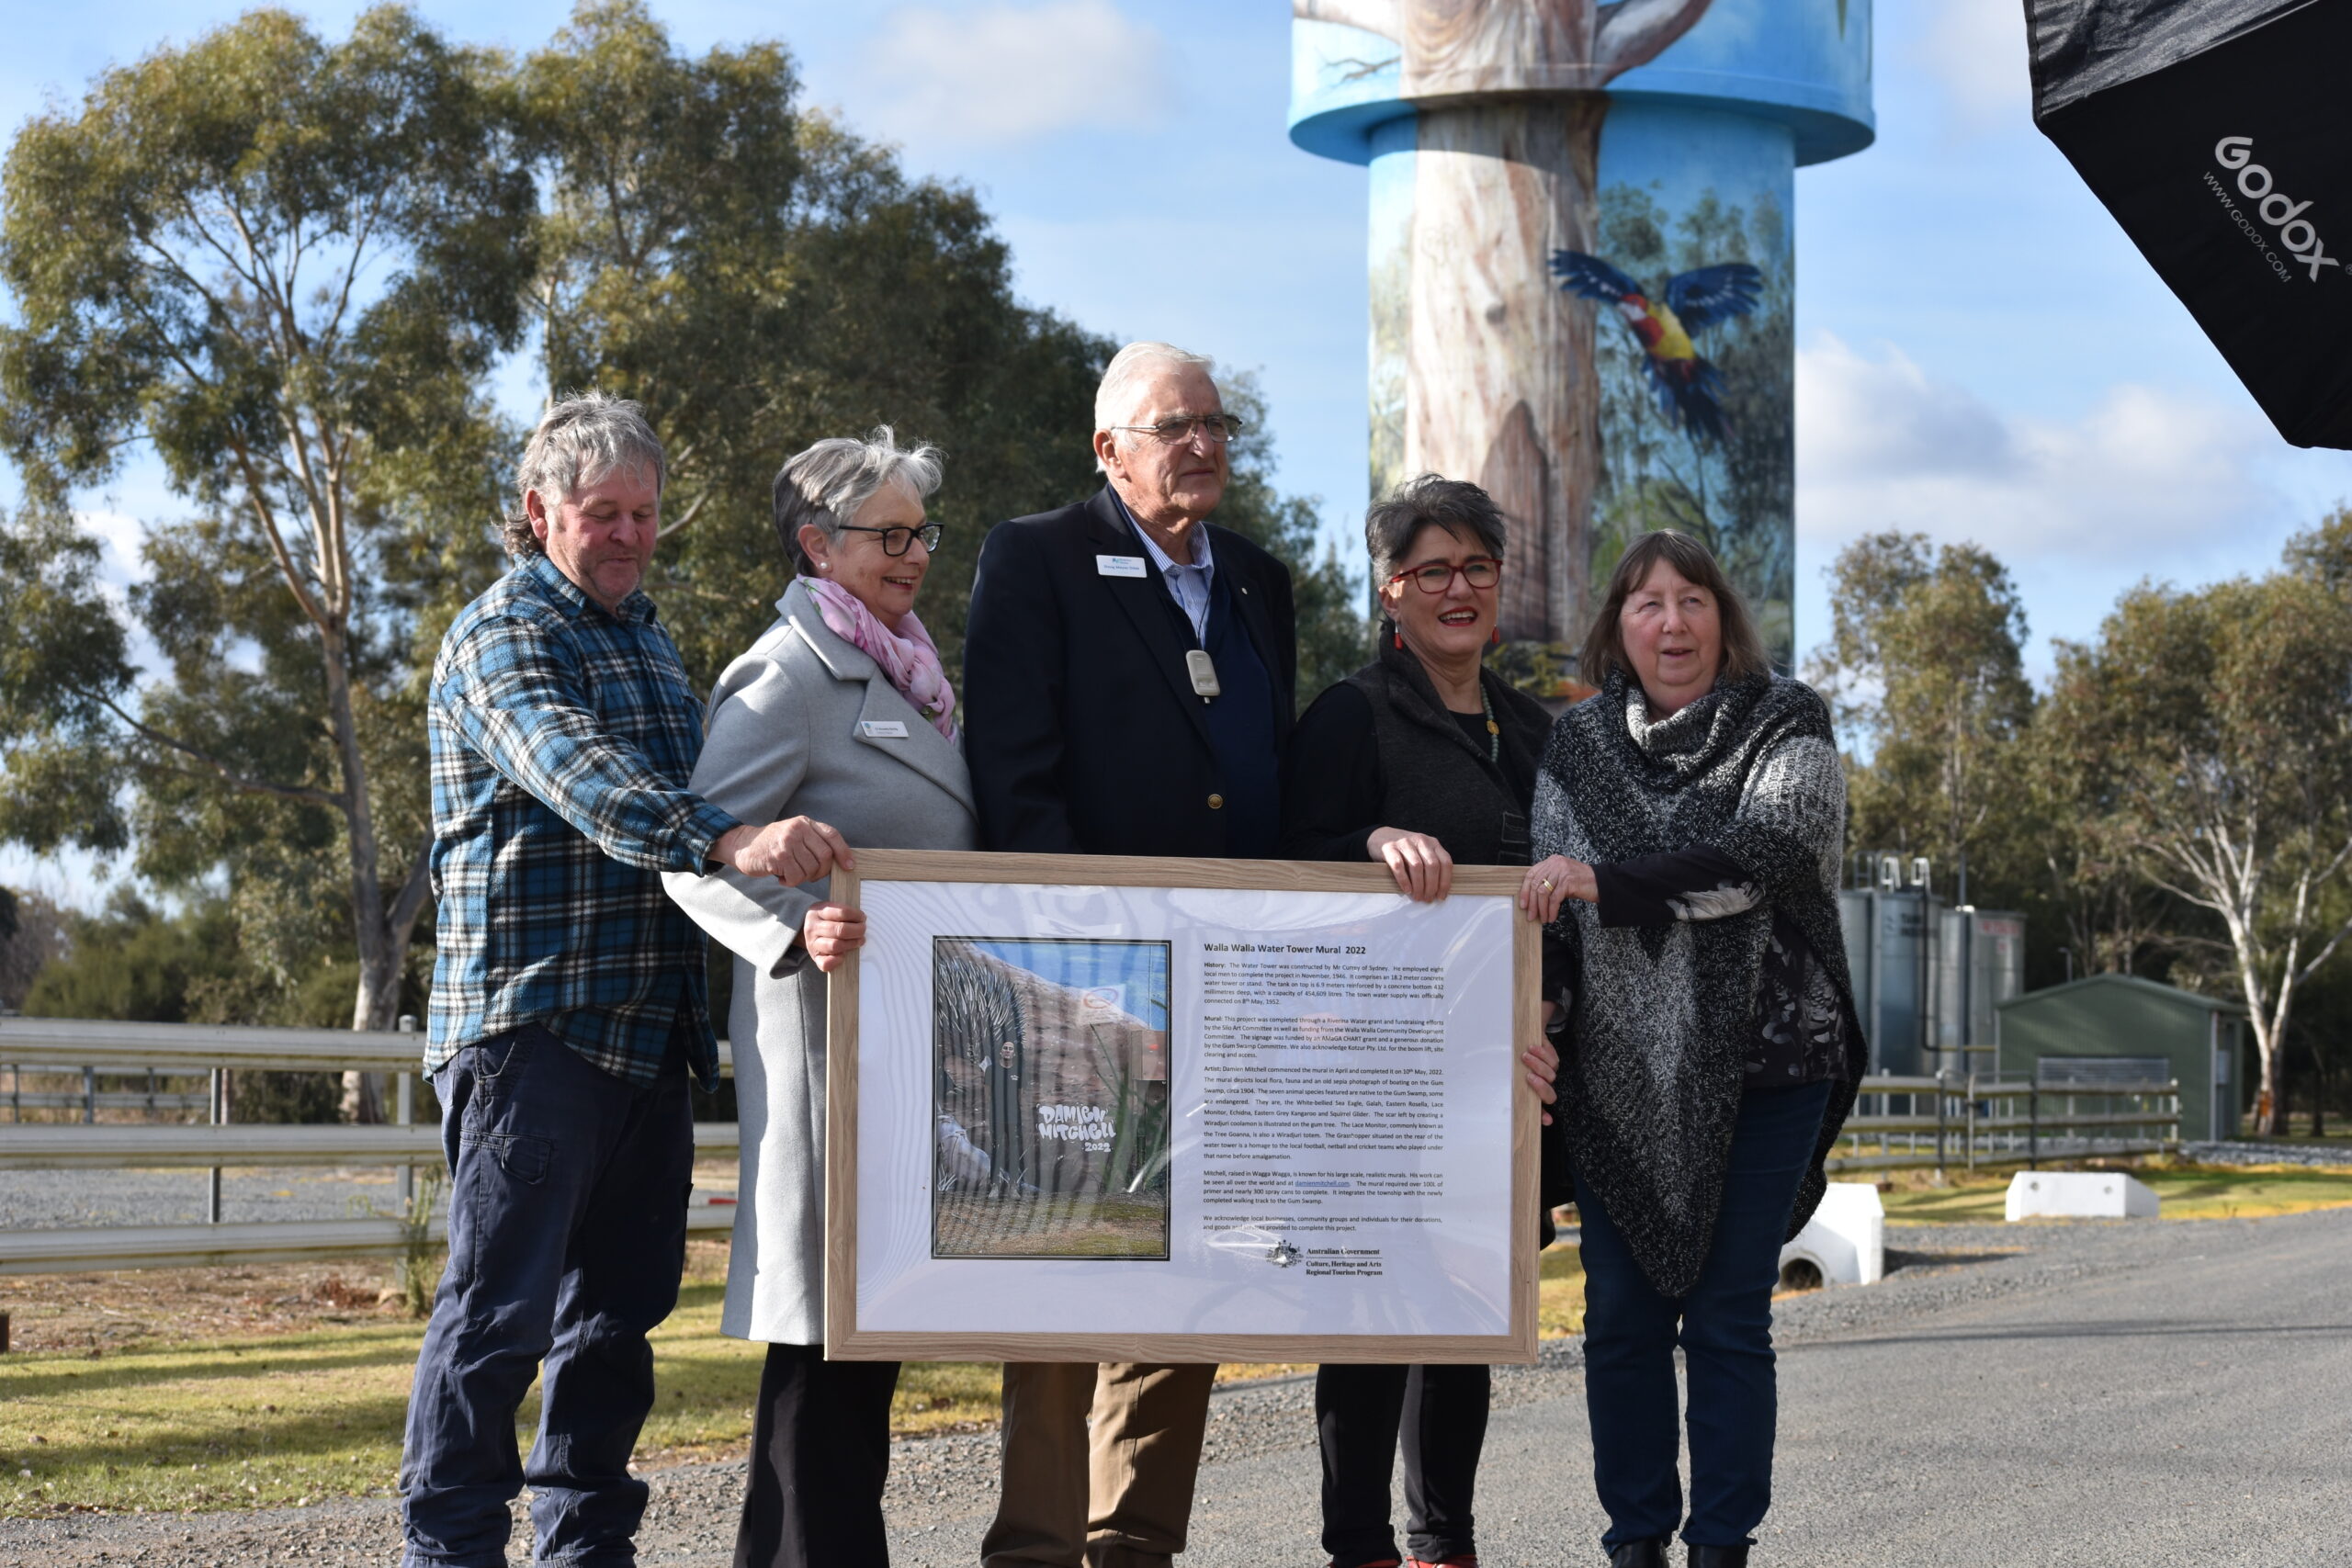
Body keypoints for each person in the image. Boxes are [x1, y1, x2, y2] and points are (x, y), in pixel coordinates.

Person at [402, 393, 852, 1568]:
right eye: (602, 512)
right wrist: (730, 839)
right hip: (532, 1035)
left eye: (644, 514)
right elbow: (583, 776)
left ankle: (585, 1549)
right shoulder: (503, 636)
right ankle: (447, 1552)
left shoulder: (651, 643)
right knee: (496, 1322)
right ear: (538, 511)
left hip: (650, 1041)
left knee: (613, 1331)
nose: (628, 535)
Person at [962, 341, 1296, 1568]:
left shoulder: (1259, 579)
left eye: (1215, 422)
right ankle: (1038, 1545)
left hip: (1230, 985)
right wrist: (1092, 961)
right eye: (1173, 426)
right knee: (1071, 1248)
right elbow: (1015, 775)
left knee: (1184, 1262)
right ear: (1109, 450)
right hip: (1088, 978)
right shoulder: (1036, 556)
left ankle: (1135, 1539)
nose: (1201, 443)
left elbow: (1265, 778)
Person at [1518, 531, 1863, 1568]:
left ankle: (1720, 1545)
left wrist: (1605, 882)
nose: (1672, 623)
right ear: (1618, 627)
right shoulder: (1576, 747)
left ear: (1723, 617)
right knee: (1621, 1319)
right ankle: (1635, 1542)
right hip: (1617, 1072)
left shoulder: (1787, 721)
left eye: (1692, 600)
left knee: (1725, 1317)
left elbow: (1766, 854)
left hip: (1768, 1066)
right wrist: (1541, 1006)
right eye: (1647, 604)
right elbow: (1550, 911)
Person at [662, 428, 977, 1568]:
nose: (914, 556)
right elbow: (694, 856)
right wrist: (797, 927)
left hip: (911, 1054)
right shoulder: (786, 674)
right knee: (826, 1345)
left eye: (920, 534)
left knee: (856, 1352)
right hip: (827, 1050)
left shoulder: (911, 669)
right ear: (816, 543)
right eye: (888, 536)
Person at [1280, 475, 1567, 1568]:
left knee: (1462, 1316)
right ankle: (1357, 1546)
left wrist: (1554, 1010)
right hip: (1368, 1077)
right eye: (1432, 569)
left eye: (1477, 568)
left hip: (1498, 1077)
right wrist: (1367, 844)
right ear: (1390, 590)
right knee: (1372, 1315)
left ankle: (1443, 1544)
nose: (1458, 589)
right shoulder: (1348, 716)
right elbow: (1283, 870)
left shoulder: (1536, 731)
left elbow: (1569, 895)